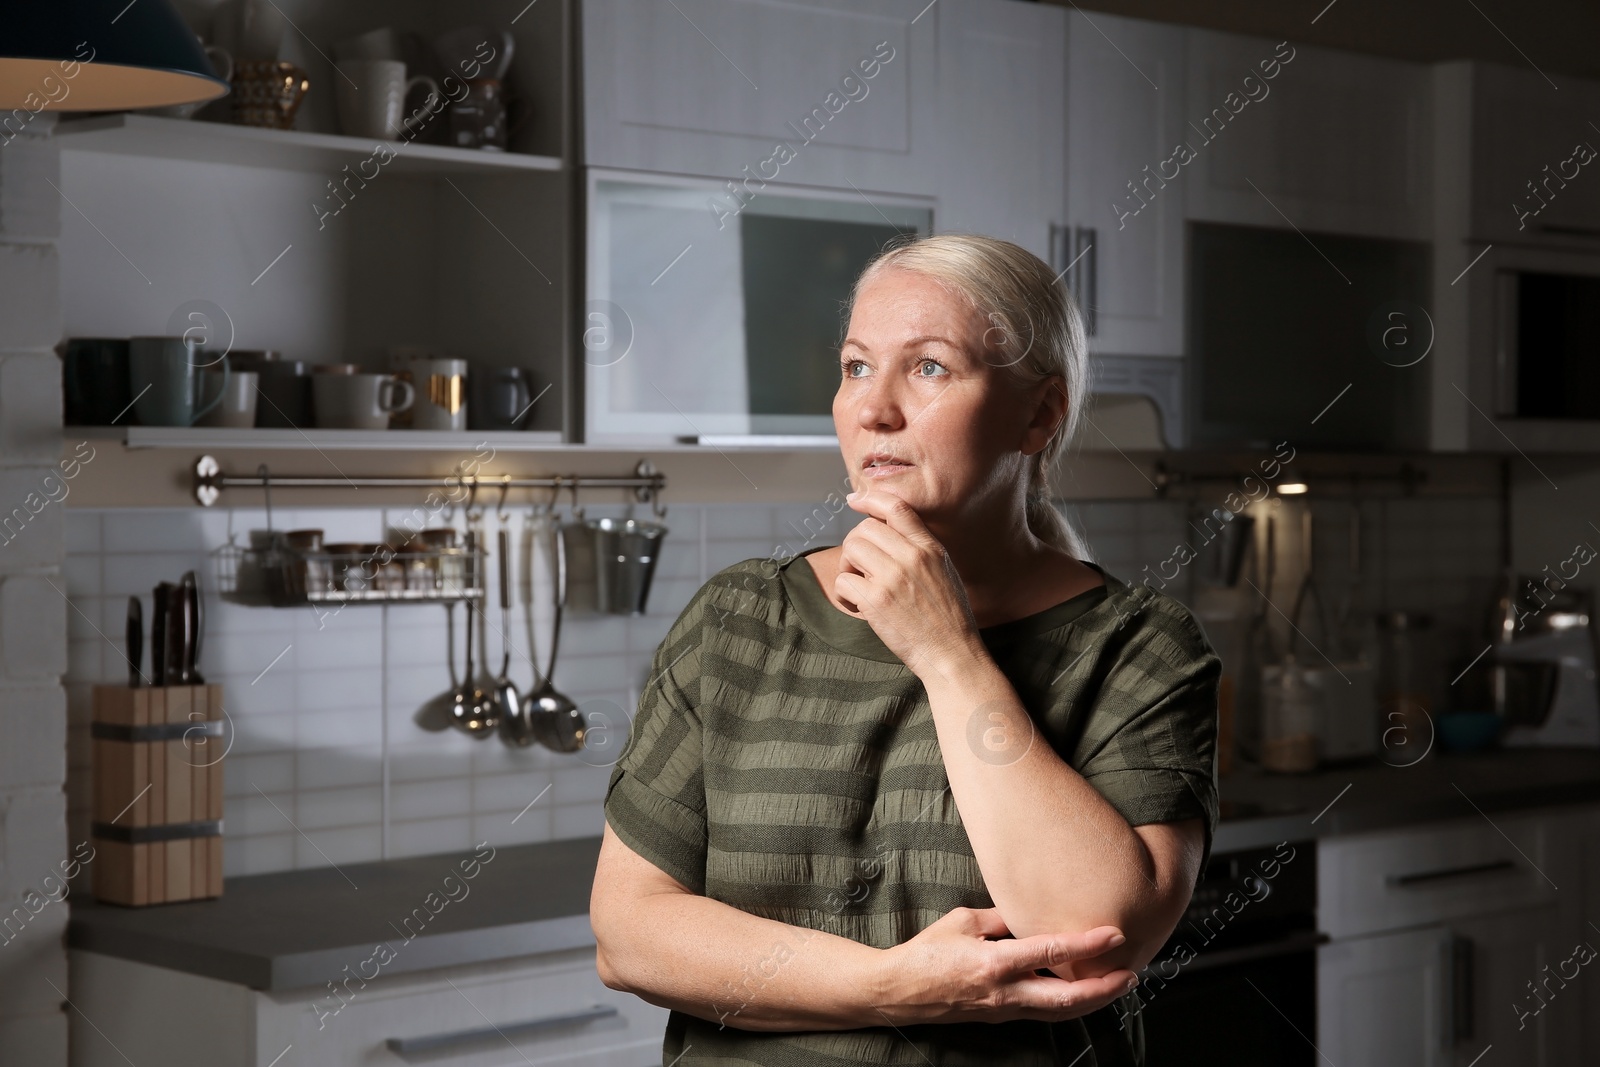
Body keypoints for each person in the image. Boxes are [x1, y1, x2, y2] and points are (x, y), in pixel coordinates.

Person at [591, 232, 1221, 1066]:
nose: (873, 408)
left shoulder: (1140, 648)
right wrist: (889, 985)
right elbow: (631, 934)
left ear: (1039, 414)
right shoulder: (738, 620)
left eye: (928, 367)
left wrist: (949, 654)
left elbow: (1094, 939)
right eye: (856, 366)